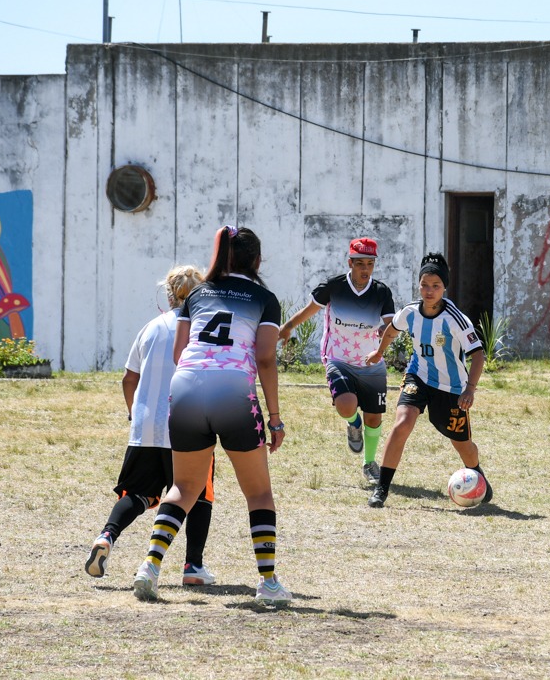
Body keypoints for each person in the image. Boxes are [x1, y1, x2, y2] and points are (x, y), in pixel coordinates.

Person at [132, 226, 291, 606]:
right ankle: (268, 582)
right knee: (258, 492)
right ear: (256, 260)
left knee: (184, 489)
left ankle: (149, 568)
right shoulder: (264, 298)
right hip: (233, 392)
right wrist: (275, 416)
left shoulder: (197, 293)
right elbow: (266, 357)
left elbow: (178, 352)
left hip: (185, 388)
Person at [85, 266, 218, 586]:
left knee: (137, 494)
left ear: (169, 295)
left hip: (145, 426)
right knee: (199, 494)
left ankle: (106, 536)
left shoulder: (151, 327)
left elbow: (129, 379)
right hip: (187, 426)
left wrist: (136, 414)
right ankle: (192, 567)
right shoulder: (204, 328)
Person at [363, 252, 491, 509]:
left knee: (462, 444)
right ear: (418, 285)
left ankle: (478, 476)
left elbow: (478, 355)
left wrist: (470, 389)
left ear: (444, 287)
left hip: (451, 388)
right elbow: (392, 330)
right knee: (402, 422)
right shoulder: (410, 312)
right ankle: (382, 489)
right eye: (424, 285)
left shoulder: (455, 319)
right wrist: (378, 352)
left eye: (435, 286)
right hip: (418, 376)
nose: (429, 291)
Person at [279, 237, 394, 486]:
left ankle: (369, 463)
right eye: (360, 263)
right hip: (338, 359)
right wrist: (288, 326)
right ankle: (353, 424)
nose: (365, 269)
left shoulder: (382, 292)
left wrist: (384, 345)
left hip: (371, 362)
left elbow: (389, 326)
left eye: (370, 264)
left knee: (374, 418)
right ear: (350, 263)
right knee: (346, 405)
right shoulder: (334, 287)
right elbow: (311, 309)